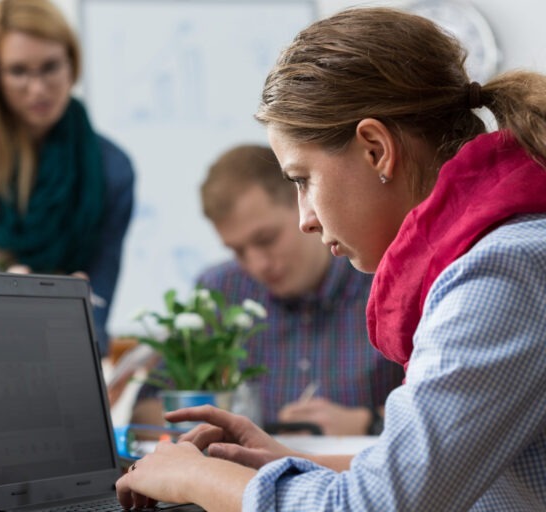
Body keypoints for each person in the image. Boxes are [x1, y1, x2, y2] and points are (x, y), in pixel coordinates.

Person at [115, 7, 546, 510]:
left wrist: (196, 479)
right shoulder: (493, 256)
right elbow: (427, 483)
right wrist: (284, 461)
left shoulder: (498, 272)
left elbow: (373, 505)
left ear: (375, 149)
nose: (306, 219)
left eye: (303, 180)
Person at [131, 144, 402, 434]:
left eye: (266, 239)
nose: (256, 264)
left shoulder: (384, 276)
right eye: (237, 251)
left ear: (306, 205)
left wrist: (367, 422)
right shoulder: (221, 289)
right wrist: (215, 421)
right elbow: (145, 412)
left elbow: (443, 410)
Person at [0, 0, 135, 356]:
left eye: (50, 67)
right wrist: (3, 308)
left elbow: (98, 318)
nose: (38, 89)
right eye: (18, 71)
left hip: (62, 366)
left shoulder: (112, 170)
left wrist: (73, 313)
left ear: (73, 63)